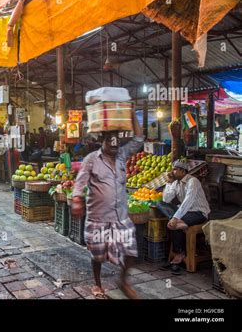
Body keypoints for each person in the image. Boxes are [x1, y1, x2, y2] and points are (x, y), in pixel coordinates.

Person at [71, 112, 144, 299]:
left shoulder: (122, 155)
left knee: (131, 250)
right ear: (103, 141)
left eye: (116, 144)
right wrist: (77, 200)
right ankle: (97, 284)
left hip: (120, 216)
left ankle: (123, 280)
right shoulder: (91, 160)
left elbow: (138, 138)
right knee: (98, 255)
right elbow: (79, 183)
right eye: (110, 143)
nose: (114, 147)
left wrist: (132, 113)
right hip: (98, 218)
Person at [156, 160, 210, 275]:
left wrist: (175, 218)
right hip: (184, 213)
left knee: (174, 224)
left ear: (182, 171)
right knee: (160, 203)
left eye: (175, 169)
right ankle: (180, 223)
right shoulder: (176, 182)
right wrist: (169, 183)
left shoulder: (192, 181)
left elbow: (188, 202)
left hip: (198, 213)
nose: (172, 171)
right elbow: (166, 199)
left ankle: (179, 255)